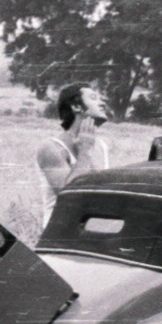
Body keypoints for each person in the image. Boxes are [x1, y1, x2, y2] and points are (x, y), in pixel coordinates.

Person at [37, 83, 111, 224]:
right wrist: (85, 152)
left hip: (92, 231)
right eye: (93, 98)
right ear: (76, 106)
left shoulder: (101, 146)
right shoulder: (50, 147)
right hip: (61, 234)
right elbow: (70, 198)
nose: (102, 103)